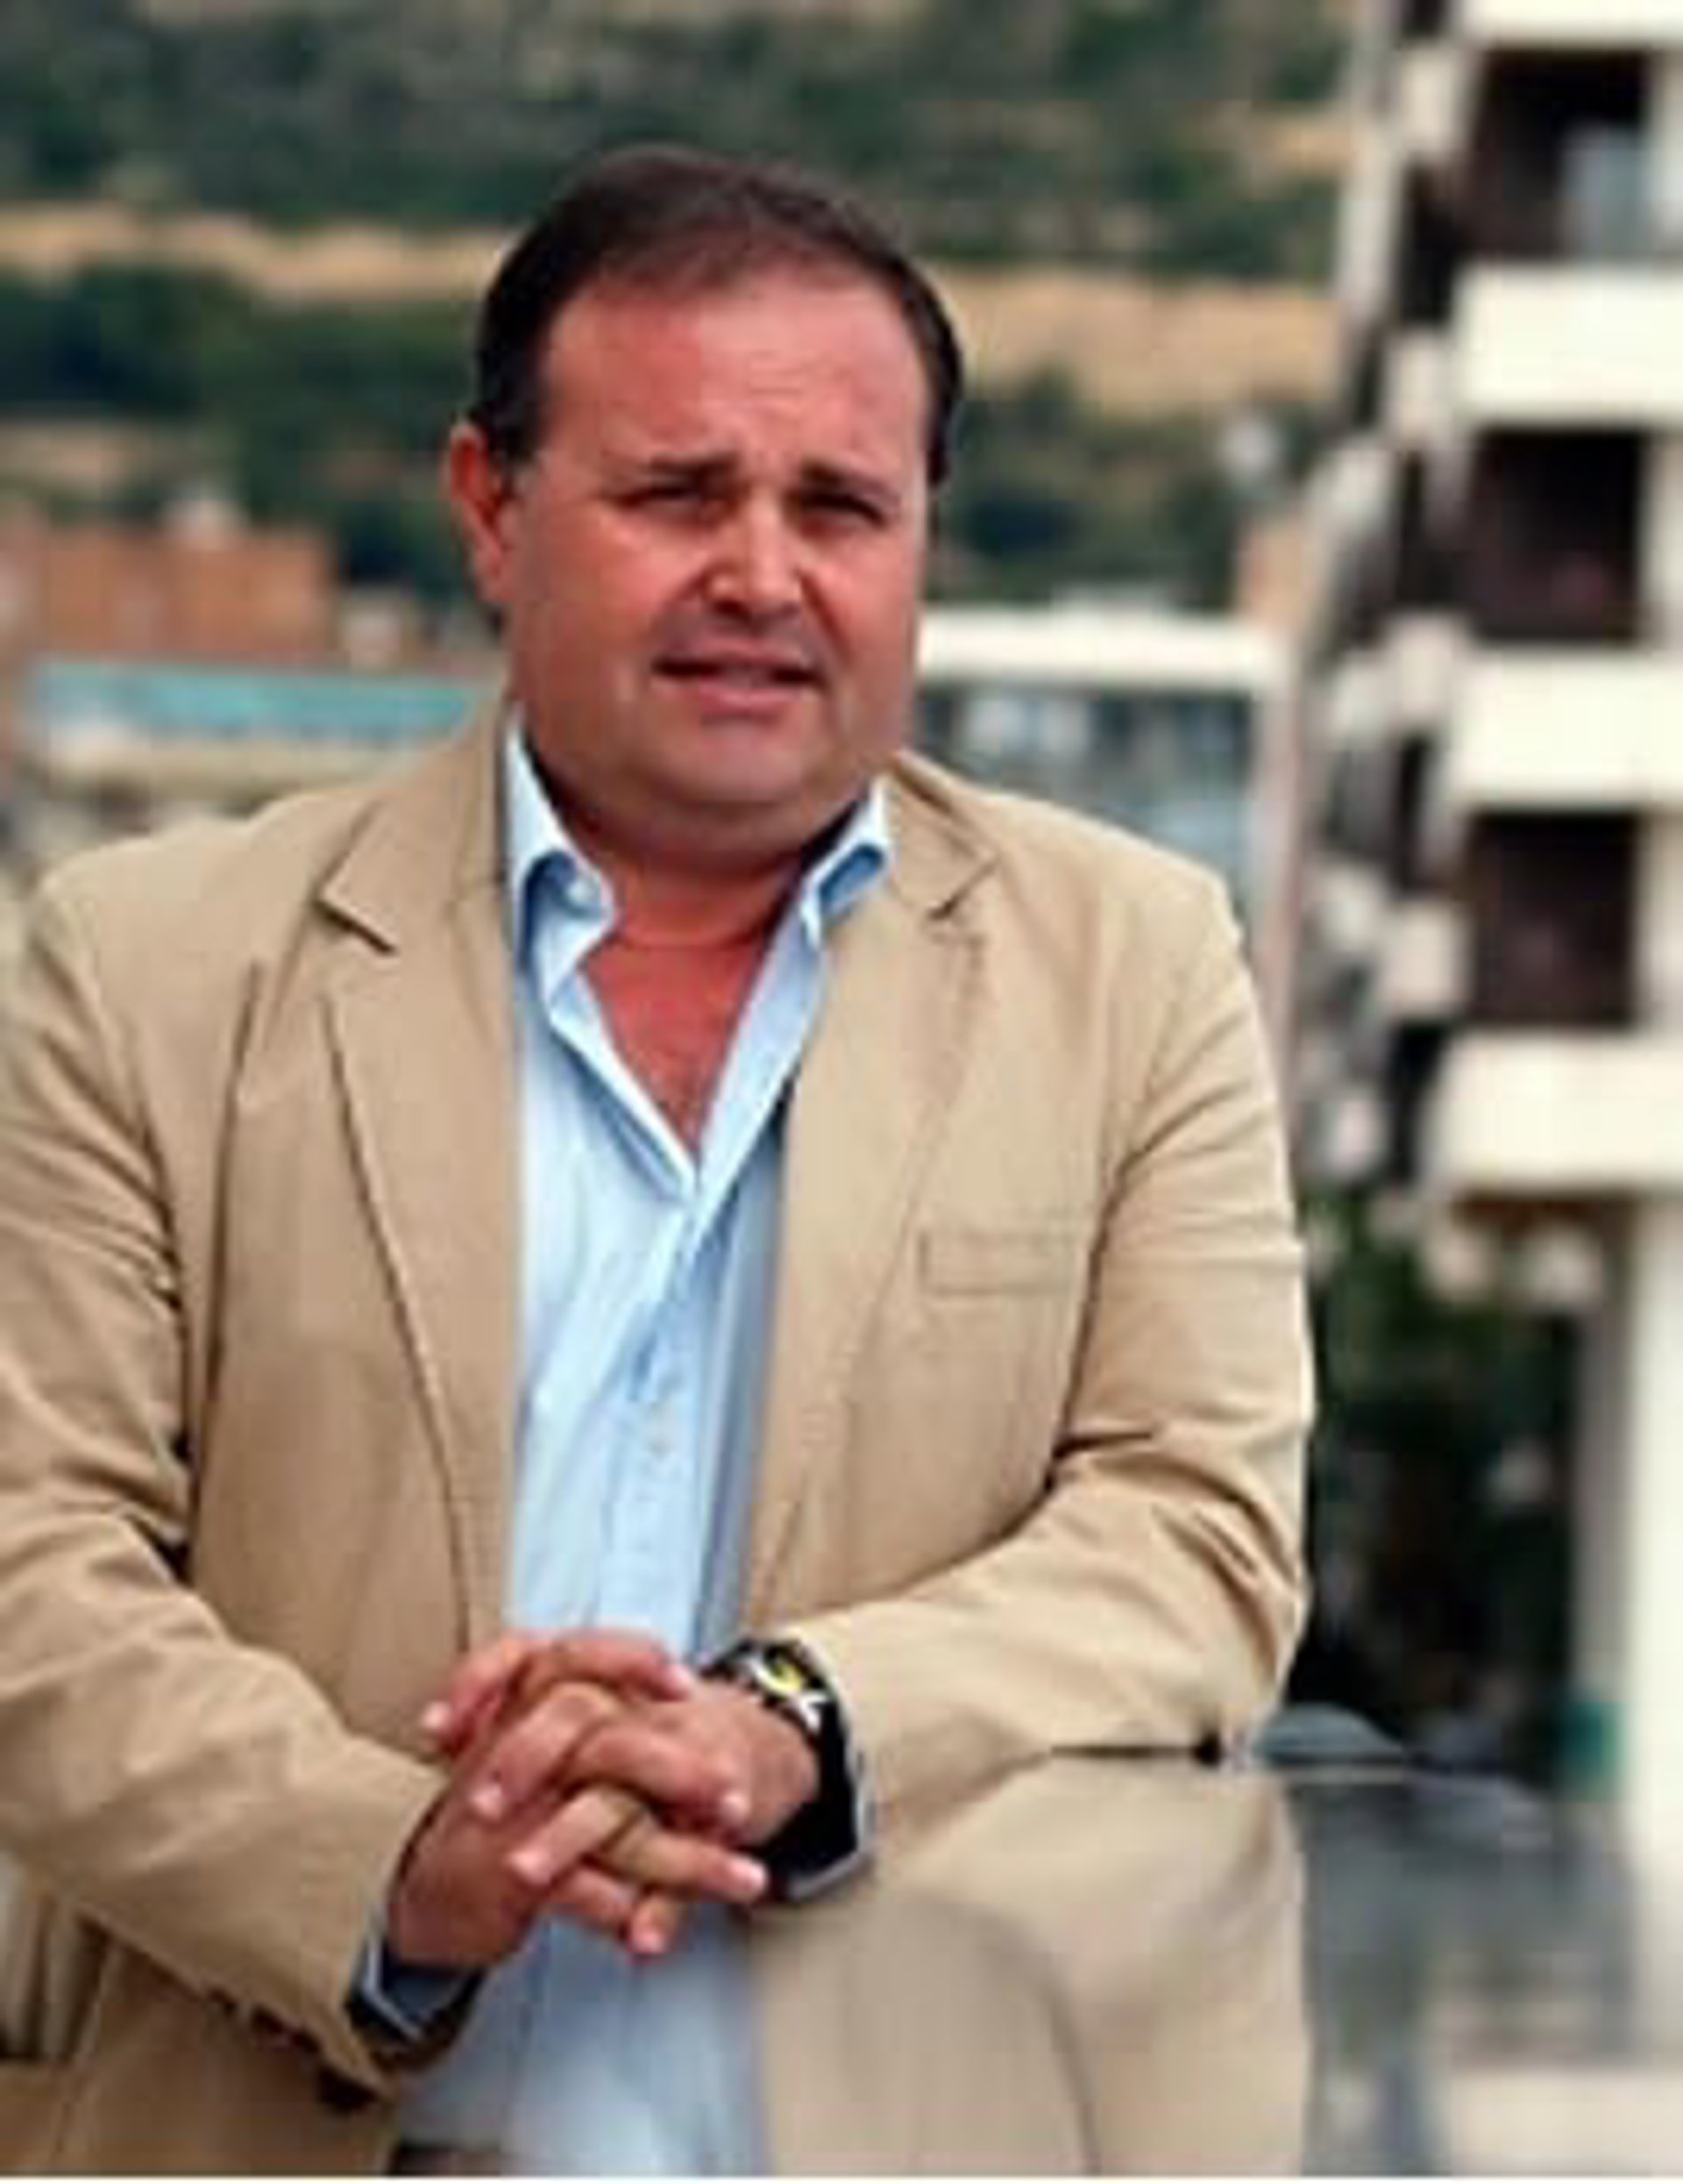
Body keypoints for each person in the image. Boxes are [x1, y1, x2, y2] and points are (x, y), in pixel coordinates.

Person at [0, 145, 1311, 2171]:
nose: (762, 575)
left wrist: (798, 1719)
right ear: (490, 509)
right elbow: (34, 1564)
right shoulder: (147, 967)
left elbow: (1196, 1534)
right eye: (679, 494)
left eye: (841, 507)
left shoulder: (1136, 969)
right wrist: (394, 1866)